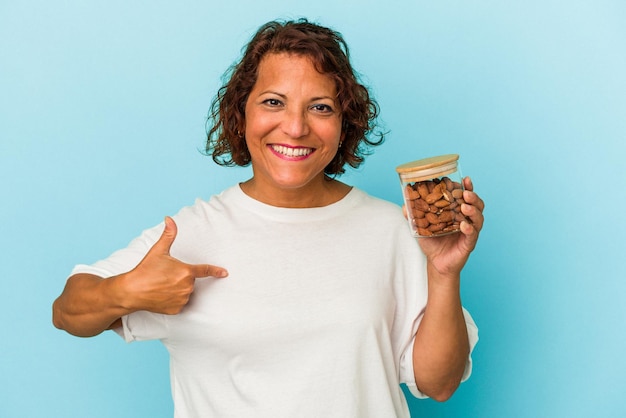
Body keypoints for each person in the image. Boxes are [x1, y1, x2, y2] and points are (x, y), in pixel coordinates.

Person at [53, 18, 484, 418]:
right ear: (242, 115)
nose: (295, 127)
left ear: (343, 125)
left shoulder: (391, 228)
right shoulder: (192, 232)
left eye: (320, 107)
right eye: (274, 102)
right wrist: (125, 290)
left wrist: (444, 273)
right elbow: (68, 311)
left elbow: (440, 384)